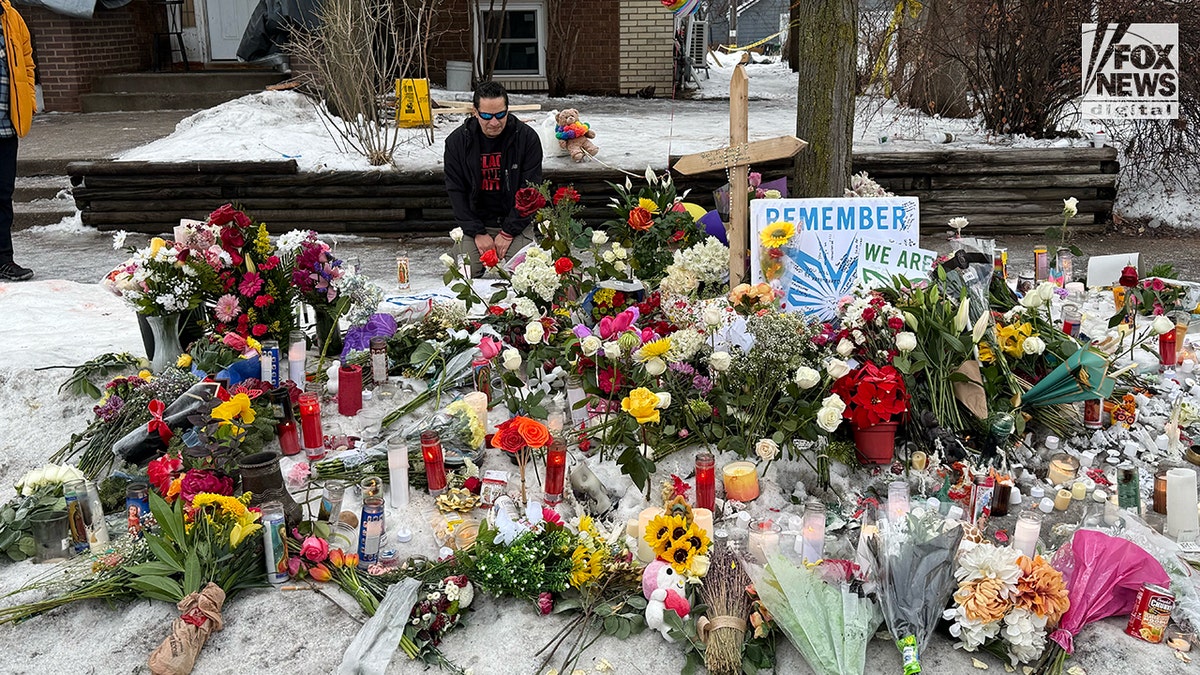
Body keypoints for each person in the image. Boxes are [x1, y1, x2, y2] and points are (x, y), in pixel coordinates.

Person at [444, 81, 543, 276]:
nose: (494, 122)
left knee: (528, 274)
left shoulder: (526, 138)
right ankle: (462, 248)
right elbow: (456, 192)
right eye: (487, 116)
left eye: (500, 114)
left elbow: (531, 191)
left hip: (514, 223)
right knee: (465, 273)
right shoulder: (457, 142)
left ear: (507, 109)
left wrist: (508, 231)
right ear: (475, 112)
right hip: (477, 224)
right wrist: (477, 232)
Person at [0, 0, 34, 282]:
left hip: (6, 127)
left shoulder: (11, 17)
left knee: (2, 197)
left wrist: (28, 101)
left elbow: (27, 59)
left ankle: (4, 259)